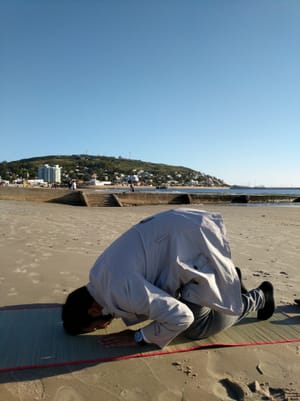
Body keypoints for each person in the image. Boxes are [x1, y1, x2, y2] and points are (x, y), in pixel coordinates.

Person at [62, 208, 275, 348]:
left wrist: (138, 336)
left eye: (98, 326)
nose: (105, 327)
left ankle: (259, 296)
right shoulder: (97, 274)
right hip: (181, 231)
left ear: (93, 310)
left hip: (193, 243)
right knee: (173, 306)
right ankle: (227, 278)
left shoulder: (122, 291)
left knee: (196, 327)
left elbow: (182, 318)